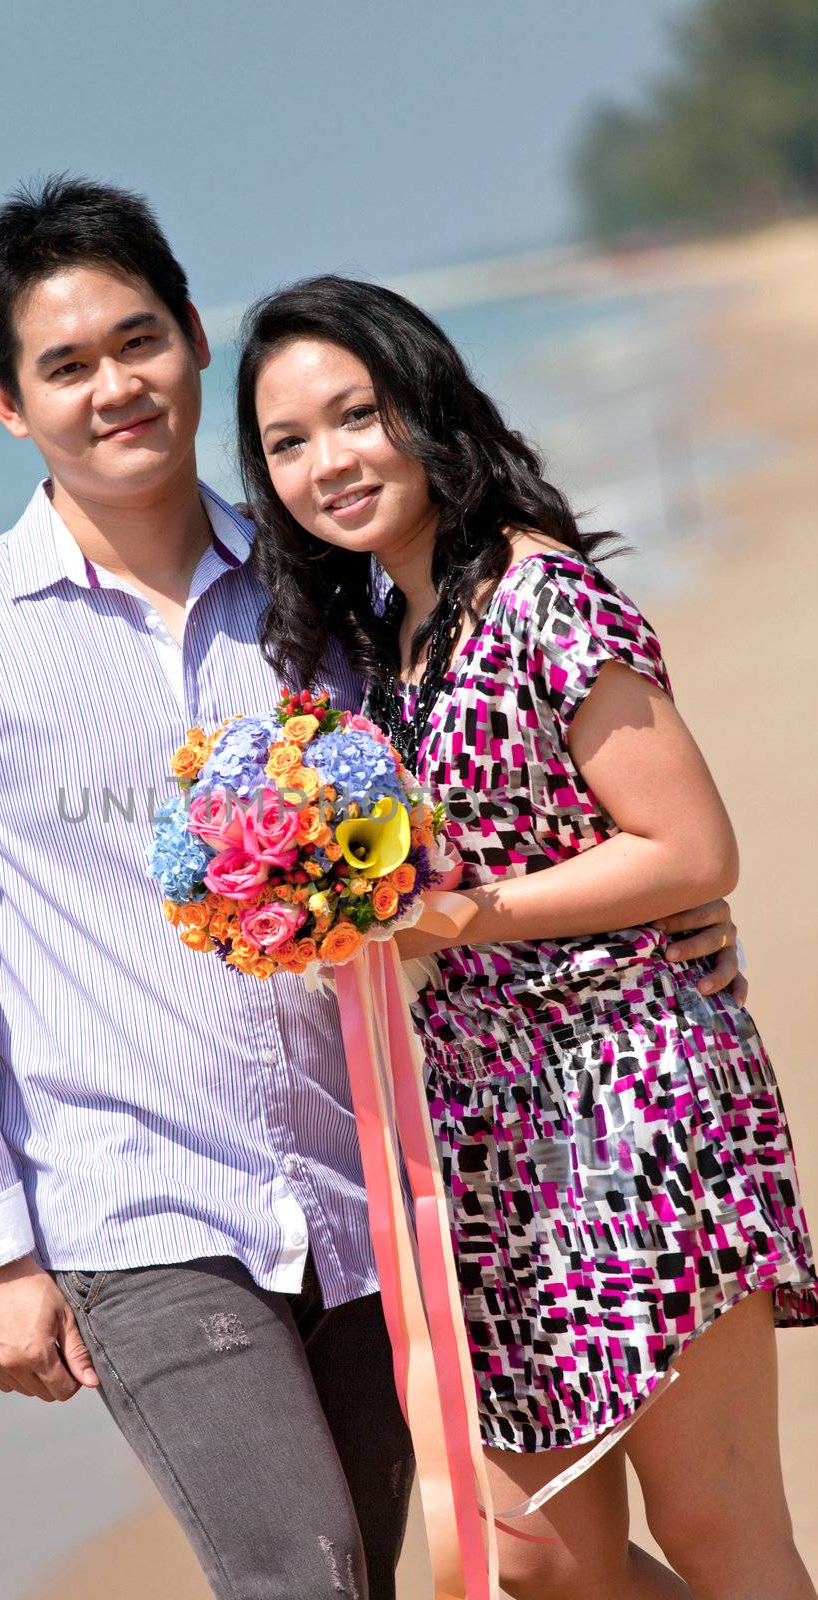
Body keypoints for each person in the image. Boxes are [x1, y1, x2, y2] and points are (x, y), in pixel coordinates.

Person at [0, 180, 742, 1600]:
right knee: (300, 1578)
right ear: (9, 405)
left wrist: (679, 908)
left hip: (375, 1186)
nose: (113, 387)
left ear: (195, 340)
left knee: (498, 1561)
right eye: (64, 367)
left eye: (138, 342)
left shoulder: (330, 600)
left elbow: (486, 807)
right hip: (136, 1212)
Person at [236, 274, 818, 1600]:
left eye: (356, 415)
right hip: (491, 1147)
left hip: (636, 1105)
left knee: (721, 1529)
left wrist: (452, 913)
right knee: (537, 1557)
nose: (329, 461)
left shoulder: (542, 596)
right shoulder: (390, 639)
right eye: (288, 443)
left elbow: (688, 848)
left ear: (423, 408)